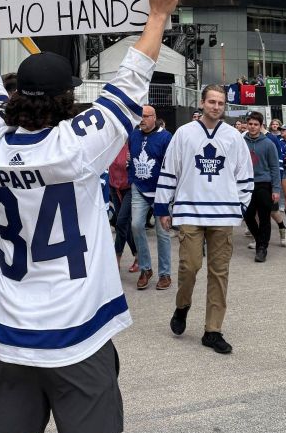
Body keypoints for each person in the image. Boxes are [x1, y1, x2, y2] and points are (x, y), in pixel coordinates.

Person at [0, 0, 179, 433]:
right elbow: (130, 79)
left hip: (12, 334)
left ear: (15, 98)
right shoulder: (79, 144)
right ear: (66, 101)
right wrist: (156, 15)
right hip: (77, 332)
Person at [155, 85, 253, 354]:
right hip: (190, 211)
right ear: (202, 103)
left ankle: (213, 330)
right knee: (189, 266)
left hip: (223, 214)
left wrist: (240, 207)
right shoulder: (184, 134)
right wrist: (163, 207)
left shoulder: (234, 137)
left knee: (219, 273)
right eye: (211, 101)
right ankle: (182, 305)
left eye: (220, 103)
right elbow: (169, 170)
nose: (216, 107)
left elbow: (245, 176)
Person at [129, 105, 172, 290]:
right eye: (141, 116)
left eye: (146, 116)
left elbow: (170, 165)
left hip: (160, 191)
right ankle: (145, 269)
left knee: (162, 233)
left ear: (154, 117)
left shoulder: (166, 137)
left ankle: (165, 273)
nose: (142, 120)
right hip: (139, 187)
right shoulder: (133, 135)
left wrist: (169, 191)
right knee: (136, 225)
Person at [243, 112, 283, 262]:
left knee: (264, 217)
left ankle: (262, 248)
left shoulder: (268, 144)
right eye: (250, 124)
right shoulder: (241, 142)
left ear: (261, 126)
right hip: (246, 184)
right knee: (248, 215)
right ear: (247, 124)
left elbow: (274, 168)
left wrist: (276, 189)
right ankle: (260, 239)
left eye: (256, 124)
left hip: (264, 184)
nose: (253, 127)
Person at [108, 144, 137, 272]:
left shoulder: (132, 143)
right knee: (125, 225)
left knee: (121, 223)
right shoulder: (109, 144)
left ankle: (116, 258)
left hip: (130, 188)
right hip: (114, 187)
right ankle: (138, 255)